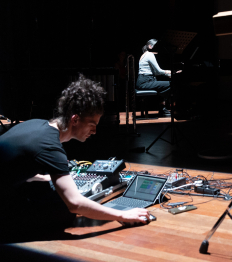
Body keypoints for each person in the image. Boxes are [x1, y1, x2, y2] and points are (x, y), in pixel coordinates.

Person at [0, 75, 150, 233]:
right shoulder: (50, 147)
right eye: (92, 125)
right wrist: (123, 215)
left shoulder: (35, 125)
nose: (94, 131)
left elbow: (10, 166)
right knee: (64, 210)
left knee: (46, 186)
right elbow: (75, 203)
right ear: (75, 119)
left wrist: (40, 177)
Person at [136, 39, 172, 116]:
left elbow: (154, 72)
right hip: (145, 82)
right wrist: (170, 72)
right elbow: (158, 71)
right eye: (156, 46)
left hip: (143, 81)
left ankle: (162, 107)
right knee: (170, 84)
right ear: (150, 46)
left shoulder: (144, 55)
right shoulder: (149, 54)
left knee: (162, 85)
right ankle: (162, 107)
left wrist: (166, 74)